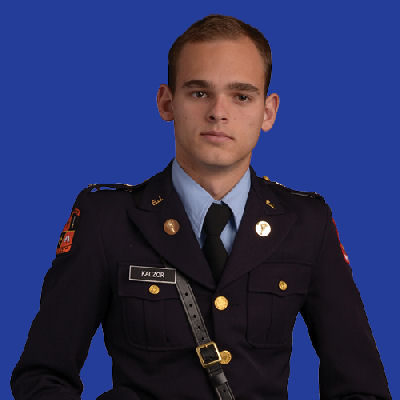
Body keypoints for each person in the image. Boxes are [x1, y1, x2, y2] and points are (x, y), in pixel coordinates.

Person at [11, 14, 391, 400]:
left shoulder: (306, 223)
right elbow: (42, 377)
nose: (218, 112)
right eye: (198, 93)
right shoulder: (107, 220)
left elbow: (363, 388)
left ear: (268, 111)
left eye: (241, 96)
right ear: (166, 102)